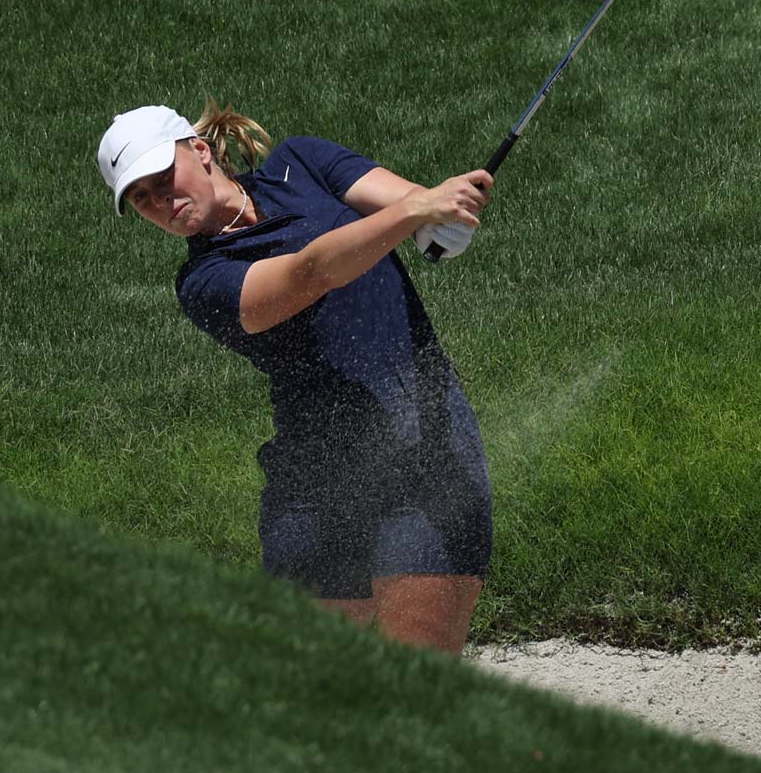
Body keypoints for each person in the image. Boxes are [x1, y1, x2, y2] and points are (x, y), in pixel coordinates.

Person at [97, 102, 495, 655]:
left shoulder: (302, 163)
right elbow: (313, 272)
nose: (160, 202)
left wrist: (441, 218)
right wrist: (416, 212)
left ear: (201, 151)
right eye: (141, 198)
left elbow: (412, 204)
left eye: (163, 179)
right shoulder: (203, 282)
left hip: (427, 453)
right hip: (315, 485)